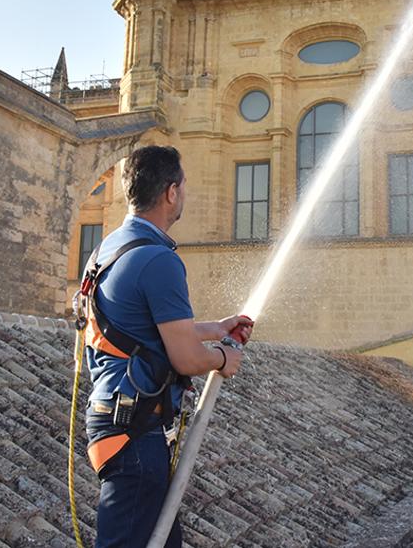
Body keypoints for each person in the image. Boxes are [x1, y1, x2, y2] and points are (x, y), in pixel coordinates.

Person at [82, 145, 251, 548]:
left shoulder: (108, 249)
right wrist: (223, 357)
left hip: (121, 423)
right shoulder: (159, 259)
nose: (185, 195)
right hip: (135, 433)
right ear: (171, 192)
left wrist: (214, 328)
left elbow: (142, 330)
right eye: (184, 186)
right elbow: (186, 358)